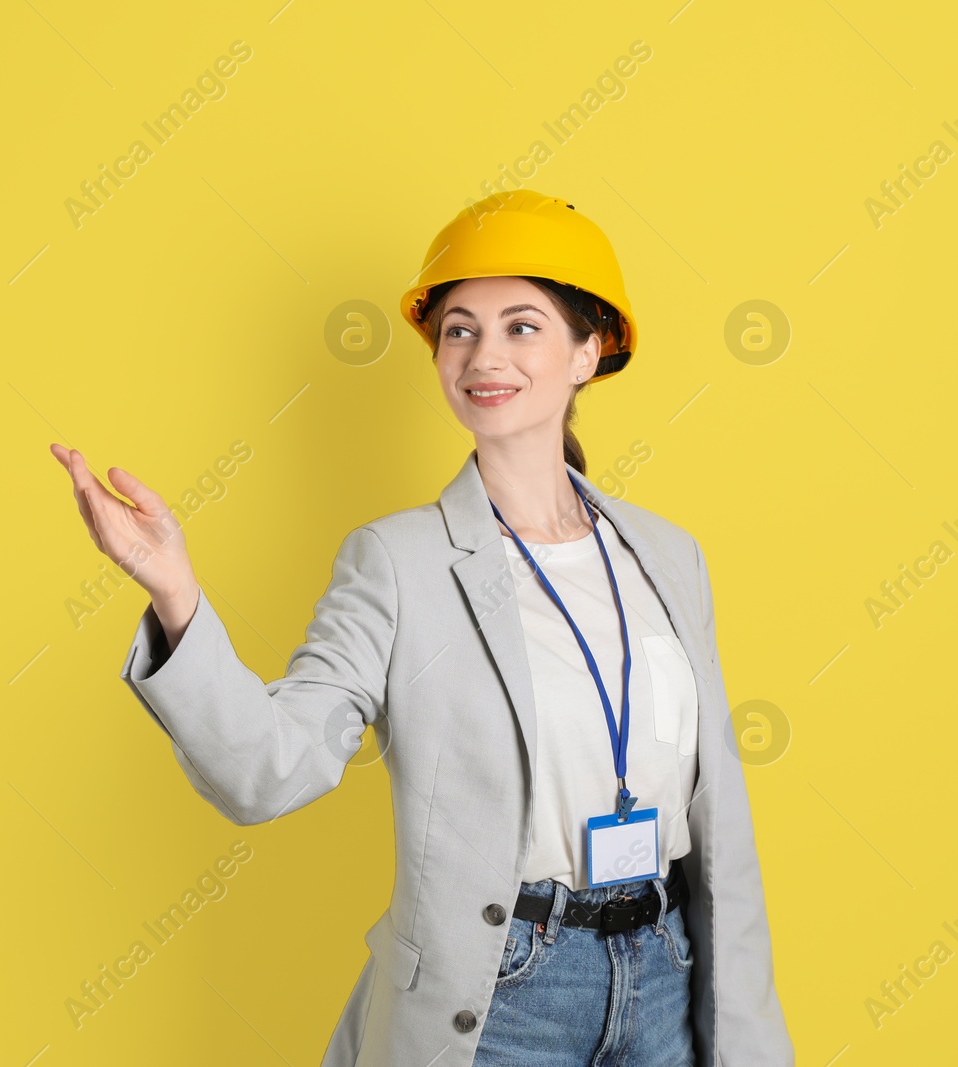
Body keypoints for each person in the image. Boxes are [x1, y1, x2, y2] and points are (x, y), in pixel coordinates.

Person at [49, 190, 792, 1066]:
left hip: (667, 966)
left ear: (589, 351)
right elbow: (267, 770)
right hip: (507, 992)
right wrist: (176, 594)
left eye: (522, 326)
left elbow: (721, 822)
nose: (484, 354)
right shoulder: (397, 564)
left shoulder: (669, 555)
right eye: (458, 329)